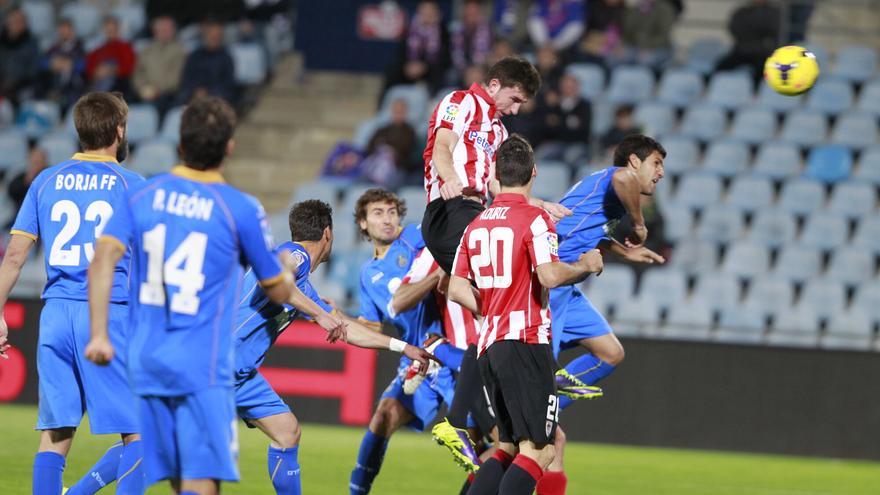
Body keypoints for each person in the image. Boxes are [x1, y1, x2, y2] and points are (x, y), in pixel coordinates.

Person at [84, 96, 294, 494]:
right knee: (202, 483)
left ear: (179, 144)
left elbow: (103, 259)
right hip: (202, 365)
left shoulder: (141, 195)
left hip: (147, 361)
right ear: (229, 146)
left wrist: (99, 333)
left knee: (176, 478)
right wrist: (282, 271)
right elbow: (277, 289)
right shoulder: (240, 208)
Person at [421, 56, 569, 472]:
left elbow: (495, 185)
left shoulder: (499, 130)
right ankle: (458, 418)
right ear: (495, 84)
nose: (516, 109)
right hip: (451, 212)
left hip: (476, 213)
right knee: (512, 293)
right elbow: (443, 147)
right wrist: (449, 179)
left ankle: (480, 411)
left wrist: (538, 204)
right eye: (515, 98)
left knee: (497, 310)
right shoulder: (459, 102)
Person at [0, 92, 145, 495]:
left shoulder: (45, 180)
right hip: (106, 313)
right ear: (118, 131)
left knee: (55, 434)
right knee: (142, 436)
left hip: (55, 315)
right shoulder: (130, 183)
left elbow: (14, 256)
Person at [448, 135, 604, 495]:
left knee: (507, 446)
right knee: (540, 450)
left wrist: (493, 307)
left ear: (497, 176)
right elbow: (549, 275)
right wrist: (584, 264)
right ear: (534, 173)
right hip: (525, 344)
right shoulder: (535, 219)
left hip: (489, 346)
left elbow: (455, 288)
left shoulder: (477, 224)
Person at [543, 135, 667, 493]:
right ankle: (540, 403)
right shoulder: (616, 178)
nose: (660, 173)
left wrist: (623, 252)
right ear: (633, 161)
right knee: (546, 443)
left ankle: (549, 398)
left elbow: (589, 232)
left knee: (611, 353)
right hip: (547, 285)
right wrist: (639, 223)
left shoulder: (603, 193)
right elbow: (623, 181)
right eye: (655, 163)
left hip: (568, 289)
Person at [348, 188, 456, 495]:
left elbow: (447, 235)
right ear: (362, 223)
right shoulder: (367, 274)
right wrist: (338, 315)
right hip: (416, 359)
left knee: (480, 438)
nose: (387, 219)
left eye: (392, 212)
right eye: (378, 213)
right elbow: (370, 325)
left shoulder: (413, 237)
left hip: (450, 349)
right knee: (383, 416)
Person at [380, 0, 450, 102]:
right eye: (424, 11)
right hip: (410, 67)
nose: (427, 15)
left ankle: (433, 108)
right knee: (392, 71)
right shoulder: (411, 28)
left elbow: (445, 57)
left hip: (431, 69)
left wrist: (424, 66)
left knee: (440, 76)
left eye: (430, 12)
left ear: (436, 13)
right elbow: (401, 52)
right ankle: (384, 107)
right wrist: (407, 65)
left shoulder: (443, 30)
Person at [534, 73, 592, 166]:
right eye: (565, 86)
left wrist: (559, 122)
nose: (568, 89)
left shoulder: (585, 105)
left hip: (577, 144)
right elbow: (547, 126)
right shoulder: (554, 104)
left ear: (577, 87)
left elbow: (583, 129)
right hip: (557, 143)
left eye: (571, 86)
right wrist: (568, 123)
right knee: (540, 155)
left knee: (571, 158)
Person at [132, 15, 186, 115]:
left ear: (173, 31)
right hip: (144, 93)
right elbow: (138, 74)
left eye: (167, 29)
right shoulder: (146, 50)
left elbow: (176, 77)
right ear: (155, 31)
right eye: (161, 29)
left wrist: (156, 90)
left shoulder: (180, 51)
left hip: (168, 96)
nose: (164, 32)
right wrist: (142, 89)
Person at [715, 0, 781, 79]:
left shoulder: (775, 13)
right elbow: (735, 29)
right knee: (720, 67)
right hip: (741, 51)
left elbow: (775, 32)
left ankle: (756, 90)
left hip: (762, 53)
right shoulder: (742, 12)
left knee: (764, 72)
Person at [178, 20, 237, 105]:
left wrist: (208, 93)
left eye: (216, 36)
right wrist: (195, 92)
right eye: (210, 35)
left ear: (221, 37)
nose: (213, 38)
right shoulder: (194, 56)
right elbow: (186, 80)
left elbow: (228, 86)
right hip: (191, 99)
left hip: (216, 102)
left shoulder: (227, 58)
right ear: (205, 36)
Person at [37, 18, 86, 112]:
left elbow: (85, 65)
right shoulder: (53, 49)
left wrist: (72, 64)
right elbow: (41, 63)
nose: (65, 34)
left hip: (73, 88)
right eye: (62, 31)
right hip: (54, 86)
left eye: (67, 31)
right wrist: (51, 64)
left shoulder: (80, 48)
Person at [85, 16, 137, 97]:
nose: (111, 32)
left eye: (113, 29)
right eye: (108, 29)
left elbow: (129, 68)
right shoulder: (98, 50)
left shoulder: (125, 47)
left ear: (118, 29)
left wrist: (110, 70)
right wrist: (96, 72)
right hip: (99, 85)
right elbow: (89, 68)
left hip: (119, 86)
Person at [0, 7, 40, 103]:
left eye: (21, 21)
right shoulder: (2, 41)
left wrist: (14, 84)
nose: (18, 24)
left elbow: (33, 70)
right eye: (15, 20)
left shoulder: (31, 43)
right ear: (8, 22)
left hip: (21, 88)